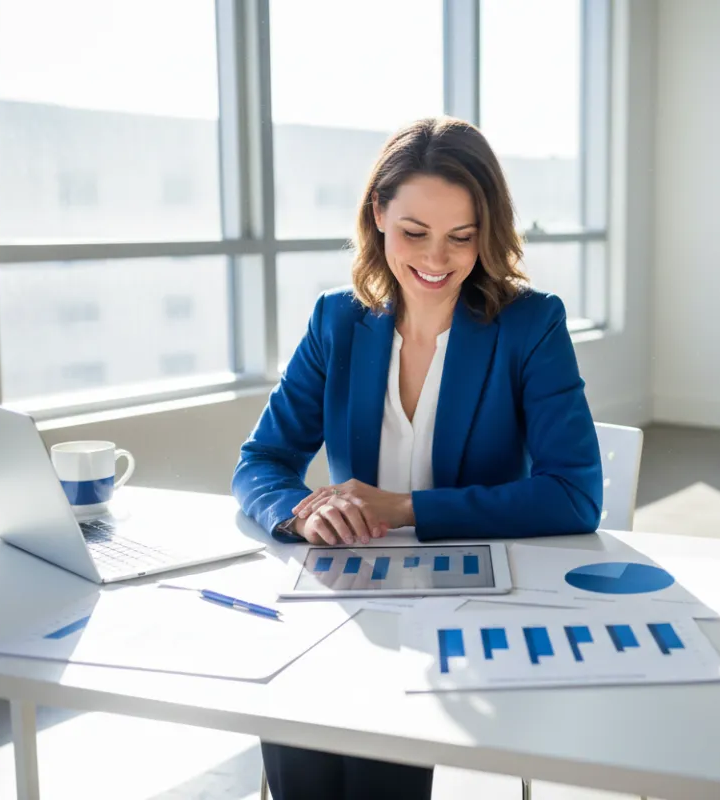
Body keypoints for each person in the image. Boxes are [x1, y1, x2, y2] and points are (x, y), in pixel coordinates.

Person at [232, 116, 604, 800]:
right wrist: (302, 514)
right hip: (351, 592)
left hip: (469, 602)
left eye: (462, 237)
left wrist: (401, 508)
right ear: (378, 214)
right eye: (414, 232)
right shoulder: (337, 322)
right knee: (292, 702)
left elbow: (575, 494)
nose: (438, 258)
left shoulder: (531, 325)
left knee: (375, 738)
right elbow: (260, 462)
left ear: (487, 233)